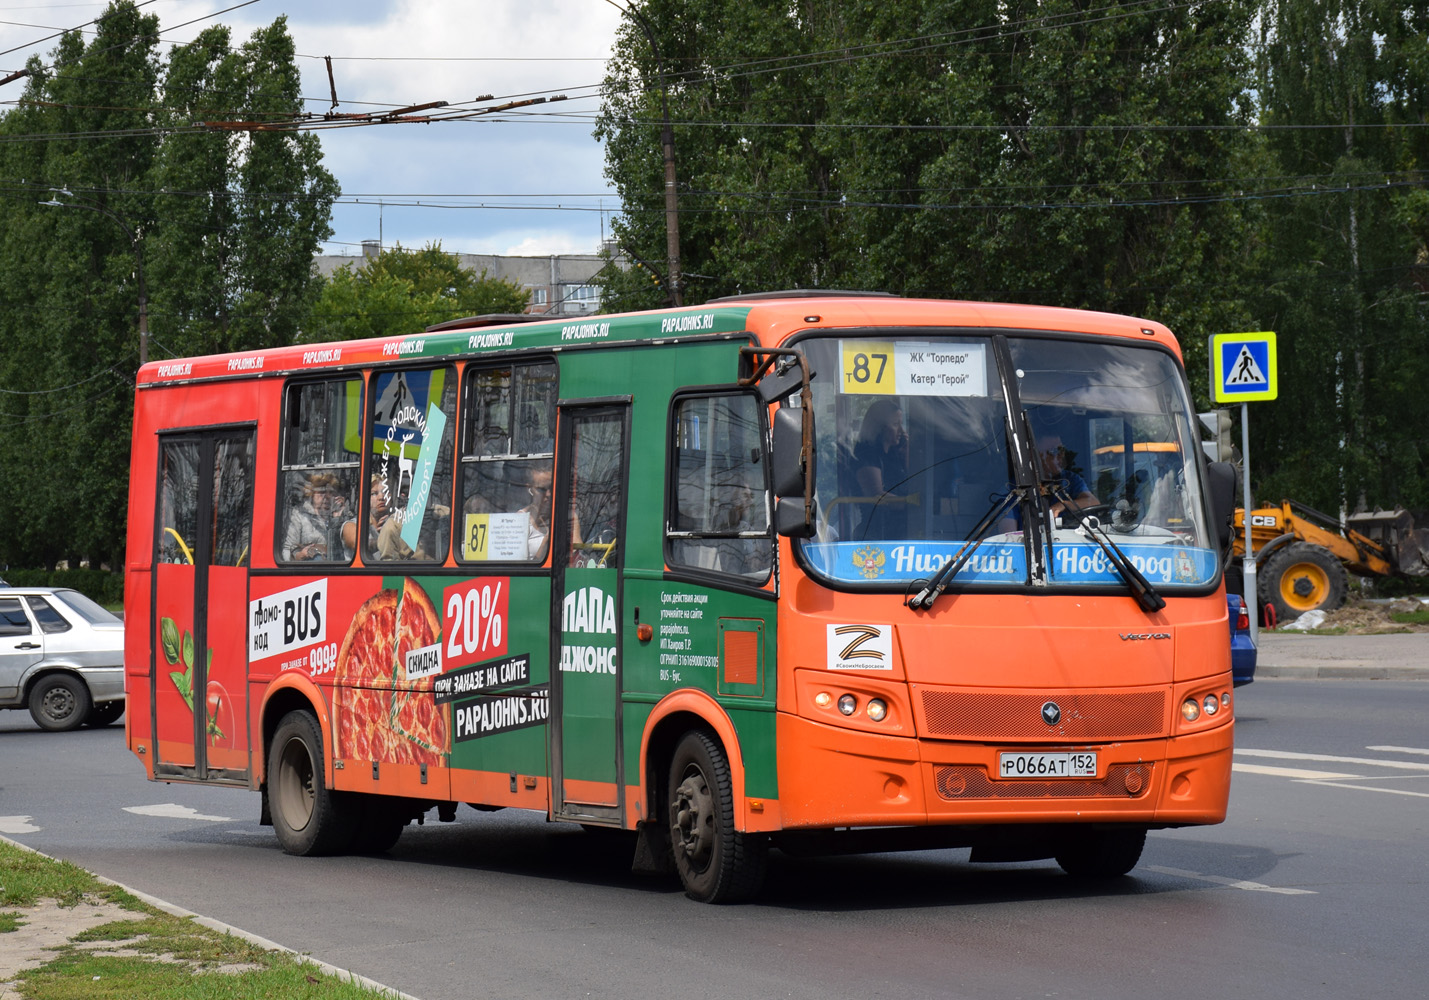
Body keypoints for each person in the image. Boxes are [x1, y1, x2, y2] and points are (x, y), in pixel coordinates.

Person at [1000, 432, 1100, 531]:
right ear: (1033, 456)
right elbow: (1009, 537)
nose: (1061, 455)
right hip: (1032, 545)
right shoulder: (1014, 489)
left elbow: (1093, 502)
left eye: (1062, 450)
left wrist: (1063, 504)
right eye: (1053, 451)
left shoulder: (1070, 480)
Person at [853, 399, 910, 538]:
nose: (902, 431)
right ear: (879, 427)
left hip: (898, 528)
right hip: (877, 532)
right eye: (896, 425)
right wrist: (912, 505)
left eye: (901, 425)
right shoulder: (866, 453)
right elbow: (875, 494)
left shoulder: (893, 454)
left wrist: (907, 451)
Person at [283, 472, 346, 561]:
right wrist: (299, 555)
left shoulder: (341, 516)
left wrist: (338, 518)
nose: (327, 496)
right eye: (322, 492)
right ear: (312, 494)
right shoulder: (300, 514)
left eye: (331, 492)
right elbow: (287, 550)